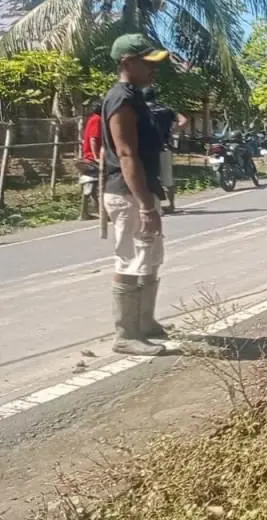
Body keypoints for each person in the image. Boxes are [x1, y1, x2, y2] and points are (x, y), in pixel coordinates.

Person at [101, 33, 174, 356]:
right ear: (127, 63)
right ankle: (126, 334)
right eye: (147, 63)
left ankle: (146, 323)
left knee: (150, 257)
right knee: (131, 259)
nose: (153, 70)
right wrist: (145, 204)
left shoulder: (136, 97)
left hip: (141, 190)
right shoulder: (121, 100)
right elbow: (127, 154)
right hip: (129, 192)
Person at [142, 87, 187, 213]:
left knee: (148, 176)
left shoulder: (142, 110)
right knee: (167, 177)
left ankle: (151, 205)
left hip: (146, 148)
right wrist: (172, 132)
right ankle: (171, 204)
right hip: (165, 145)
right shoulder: (167, 109)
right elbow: (183, 121)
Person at [78, 102, 103, 220]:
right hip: (92, 157)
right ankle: (97, 211)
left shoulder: (93, 119)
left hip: (88, 156)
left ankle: (90, 211)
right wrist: (95, 156)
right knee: (97, 184)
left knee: (91, 185)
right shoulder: (97, 120)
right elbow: (93, 138)